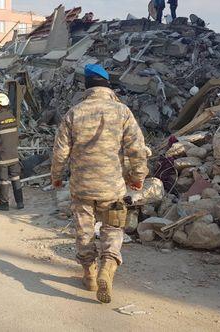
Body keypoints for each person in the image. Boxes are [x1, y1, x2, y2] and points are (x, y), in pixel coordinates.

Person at [51, 64, 149, 303]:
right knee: (113, 228)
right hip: (112, 187)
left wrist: (56, 176)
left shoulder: (74, 113)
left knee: (84, 231)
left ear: (87, 87)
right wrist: (137, 177)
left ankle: (90, 274)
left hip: (82, 187)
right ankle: (108, 266)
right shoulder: (122, 112)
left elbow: (60, 151)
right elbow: (136, 148)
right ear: (107, 86)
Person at [0, 93, 24, 211]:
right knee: (15, 178)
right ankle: (20, 202)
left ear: (0, 105)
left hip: (2, 155)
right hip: (14, 155)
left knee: (3, 180)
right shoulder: (12, 117)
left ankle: (4, 204)